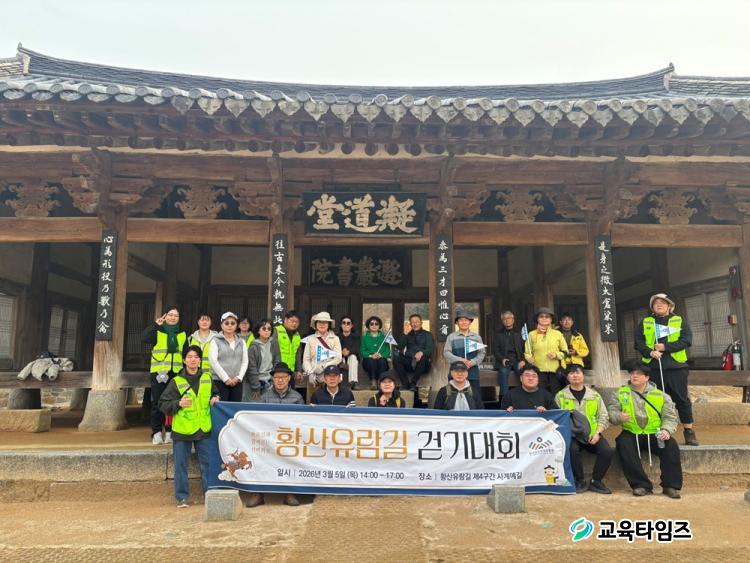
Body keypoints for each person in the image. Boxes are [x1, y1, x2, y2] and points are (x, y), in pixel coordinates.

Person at [607, 362, 682, 499]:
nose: (634, 376)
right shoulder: (619, 393)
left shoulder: (661, 396)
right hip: (631, 432)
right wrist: (618, 416)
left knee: (671, 446)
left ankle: (670, 486)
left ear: (647, 377)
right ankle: (640, 485)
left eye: (639, 374)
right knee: (623, 444)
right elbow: (611, 413)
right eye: (632, 373)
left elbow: (670, 417)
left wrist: (666, 430)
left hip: (655, 432)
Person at [157, 345, 219, 508]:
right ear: (184, 360)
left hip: (203, 428)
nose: (193, 360)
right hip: (182, 429)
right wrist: (178, 403)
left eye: (196, 357)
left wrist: (215, 397)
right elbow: (162, 404)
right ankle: (182, 497)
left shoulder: (207, 378)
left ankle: (209, 494)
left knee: (207, 464)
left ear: (200, 360)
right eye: (189, 357)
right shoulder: (176, 381)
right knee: (181, 465)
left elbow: (214, 393)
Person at [635, 293, 698, 446]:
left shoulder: (679, 320)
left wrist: (665, 347)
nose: (659, 304)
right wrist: (650, 352)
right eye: (656, 303)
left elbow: (687, 340)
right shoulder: (645, 322)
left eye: (663, 302)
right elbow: (638, 342)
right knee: (655, 400)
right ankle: (658, 432)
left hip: (677, 367)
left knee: (682, 400)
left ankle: (688, 431)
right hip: (653, 368)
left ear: (670, 306)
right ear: (652, 307)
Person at [245, 362, 303, 508]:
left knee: (292, 456)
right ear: (273, 379)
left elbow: (302, 421)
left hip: (289, 439)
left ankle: (289, 493)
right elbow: (257, 419)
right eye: (277, 377)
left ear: (289, 378)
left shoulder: (297, 398)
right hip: (269, 439)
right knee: (258, 454)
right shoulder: (265, 398)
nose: (280, 380)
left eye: (283, 377)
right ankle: (258, 493)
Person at [555, 364, 614, 494]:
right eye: (571, 373)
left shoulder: (594, 395)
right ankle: (579, 480)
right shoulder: (561, 396)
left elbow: (603, 416)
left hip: (592, 434)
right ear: (567, 377)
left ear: (583, 376)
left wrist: (597, 433)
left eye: (578, 372)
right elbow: (557, 419)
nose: (575, 375)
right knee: (572, 449)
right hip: (572, 435)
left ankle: (596, 481)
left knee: (607, 451)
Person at [142, 306, 187, 445]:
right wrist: (156, 325)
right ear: (165, 316)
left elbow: (186, 353)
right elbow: (144, 338)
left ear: (179, 318)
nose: (173, 317)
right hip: (159, 372)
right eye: (170, 315)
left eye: (176, 315)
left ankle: (169, 431)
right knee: (157, 402)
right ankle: (156, 432)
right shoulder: (158, 331)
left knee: (173, 402)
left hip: (176, 372)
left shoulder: (182, 334)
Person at [524, 307, 568, 394]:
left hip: (555, 371)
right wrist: (529, 358)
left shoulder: (558, 334)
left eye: (547, 317)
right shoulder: (531, 334)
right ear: (537, 319)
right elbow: (527, 352)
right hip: (538, 371)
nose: (544, 318)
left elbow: (565, 352)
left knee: (555, 395)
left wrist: (556, 354)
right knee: (540, 395)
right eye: (541, 316)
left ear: (551, 320)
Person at [208, 311, 248, 402]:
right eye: (226, 323)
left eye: (233, 323)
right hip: (219, 381)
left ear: (236, 326)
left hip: (236, 382)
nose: (230, 325)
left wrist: (239, 377)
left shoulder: (242, 342)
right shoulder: (215, 340)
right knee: (221, 407)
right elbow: (213, 362)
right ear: (221, 325)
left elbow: (245, 361)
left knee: (235, 408)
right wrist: (226, 379)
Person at [443, 311, 485, 396]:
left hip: (472, 372)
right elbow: (446, 353)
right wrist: (460, 360)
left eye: (466, 320)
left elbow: (482, 353)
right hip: (456, 372)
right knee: (454, 397)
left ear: (470, 322)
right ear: (457, 322)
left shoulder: (476, 337)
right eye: (461, 320)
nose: (464, 322)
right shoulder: (451, 337)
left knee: (474, 396)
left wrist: (472, 362)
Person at [394, 314, 434, 391]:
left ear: (421, 323)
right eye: (412, 322)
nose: (415, 324)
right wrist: (405, 334)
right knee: (396, 357)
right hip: (409, 361)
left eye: (417, 322)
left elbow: (430, 349)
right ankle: (405, 383)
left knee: (423, 358)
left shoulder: (427, 334)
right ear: (410, 324)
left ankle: (413, 383)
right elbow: (399, 347)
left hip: (422, 364)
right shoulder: (407, 334)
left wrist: (421, 352)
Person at [244, 318, 280, 401]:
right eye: (264, 328)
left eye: (269, 329)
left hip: (270, 382)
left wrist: (274, 380)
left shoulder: (274, 343)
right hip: (255, 383)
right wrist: (255, 387)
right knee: (255, 406)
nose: (267, 331)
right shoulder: (253, 347)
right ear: (258, 331)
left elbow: (277, 362)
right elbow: (252, 368)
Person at [303, 311, 343, 385]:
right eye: (319, 322)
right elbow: (306, 359)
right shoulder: (310, 339)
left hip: (331, 375)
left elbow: (338, 358)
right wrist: (310, 373)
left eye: (325, 322)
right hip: (314, 378)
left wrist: (323, 366)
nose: (322, 324)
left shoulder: (335, 338)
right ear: (316, 324)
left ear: (329, 324)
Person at [493, 310, 526, 397]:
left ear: (513, 320)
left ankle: (523, 396)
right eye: (504, 319)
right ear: (502, 321)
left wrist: (523, 360)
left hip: (517, 360)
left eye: (509, 318)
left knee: (523, 372)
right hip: (504, 361)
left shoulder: (519, 333)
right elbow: (496, 350)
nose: (507, 320)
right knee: (503, 372)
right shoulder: (498, 334)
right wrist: (502, 359)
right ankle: (505, 399)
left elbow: (525, 349)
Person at [360, 316, 391, 390]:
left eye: (376, 324)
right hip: (368, 361)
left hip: (381, 360)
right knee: (371, 361)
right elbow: (362, 351)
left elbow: (387, 350)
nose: (374, 325)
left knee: (382, 361)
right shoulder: (364, 338)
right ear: (368, 326)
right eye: (371, 324)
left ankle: (381, 381)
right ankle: (373, 381)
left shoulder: (384, 337)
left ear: (379, 326)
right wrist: (371, 355)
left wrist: (381, 355)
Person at [275, 310, 303, 384]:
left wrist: (299, 370)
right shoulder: (276, 331)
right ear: (285, 320)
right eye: (292, 321)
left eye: (297, 322)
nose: (294, 324)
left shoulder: (297, 335)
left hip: (291, 373)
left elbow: (298, 355)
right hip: (278, 372)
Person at [337, 315, 360, 389]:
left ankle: (353, 382)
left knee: (353, 357)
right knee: (338, 358)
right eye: (344, 323)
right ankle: (339, 382)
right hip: (340, 357)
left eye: (348, 323)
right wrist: (341, 352)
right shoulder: (336, 337)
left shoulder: (356, 336)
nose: (346, 325)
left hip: (351, 358)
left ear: (352, 325)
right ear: (341, 325)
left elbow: (356, 349)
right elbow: (334, 348)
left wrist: (349, 352)